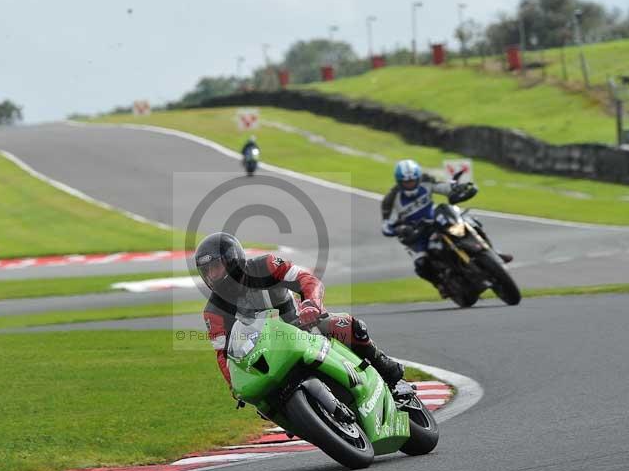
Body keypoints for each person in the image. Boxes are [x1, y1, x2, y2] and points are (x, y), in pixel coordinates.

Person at [196, 232, 404, 391]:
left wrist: (311, 304)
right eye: (207, 272)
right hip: (265, 350)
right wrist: (234, 385)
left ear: (232, 260)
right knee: (256, 394)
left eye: (216, 267)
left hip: (301, 325)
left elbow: (307, 279)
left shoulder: (265, 266)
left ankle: (382, 364)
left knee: (348, 326)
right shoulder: (213, 311)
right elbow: (222, 354)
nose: (212, 275)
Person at [380, 159, 481, 293]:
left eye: (413, 180)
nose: (410, 184)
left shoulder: (426, 181)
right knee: (421, 264)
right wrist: (400, 229)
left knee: (468, 222)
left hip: (435, 219)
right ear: (399, 182)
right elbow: (386, 226)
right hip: (415, 234)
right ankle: (440, 284)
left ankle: (493, 253)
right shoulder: (391, 199)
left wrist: (456, 188)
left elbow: (443, 188)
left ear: (418, 177)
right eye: (406, 182)